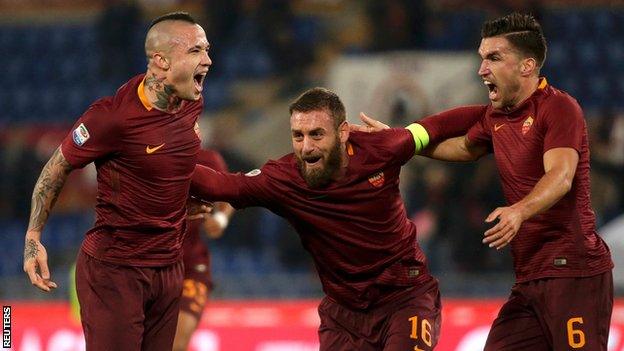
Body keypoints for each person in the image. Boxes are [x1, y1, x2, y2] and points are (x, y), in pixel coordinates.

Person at [363, 12, 614, 351]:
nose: (482, 69)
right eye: (482, 58)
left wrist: (519, 211)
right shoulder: (498, 117)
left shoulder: (558, 108)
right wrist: (400, 143)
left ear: (526, 66)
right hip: (529, 277)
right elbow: (464, 147)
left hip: (573, 273)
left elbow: (562, 175)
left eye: (494, 58)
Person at [190, 87, 475, 350]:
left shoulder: (381, 148)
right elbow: (222, 186)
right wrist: (163, 156)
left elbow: (440, 125)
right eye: (298, 136)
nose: (306, 147)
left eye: (316, 134)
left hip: (405, 298)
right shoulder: (283, 179)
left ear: (342, 132)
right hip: (344, 315)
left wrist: (503, 114)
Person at [22, 12, 212, 351]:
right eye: (196, 51)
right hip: (116, 271)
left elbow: (165, 162)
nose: (208, 60)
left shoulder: (189, 104)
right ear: (161, 61)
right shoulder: (112, 118)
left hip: (168, 268)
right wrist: (34, 237)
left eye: (207, 50)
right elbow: (55, 169)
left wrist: (178, 198)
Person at [173, 149, 234, 351]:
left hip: (191, 265)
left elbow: (232, 192)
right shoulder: (141, 156)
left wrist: (221, 218)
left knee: (177, 344)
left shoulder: (207, 159)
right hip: (149, 266)